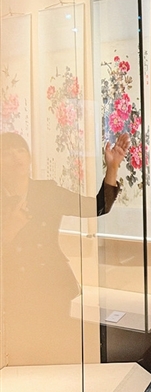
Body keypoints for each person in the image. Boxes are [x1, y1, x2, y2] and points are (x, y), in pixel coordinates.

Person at [1, 131, 129, 365]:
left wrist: (112, 167)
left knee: (54, 351)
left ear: (29, 158)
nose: (16, 157)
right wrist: (10, 230)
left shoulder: (47, 192)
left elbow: (98, 207)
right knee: (22, 356)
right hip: (13, 289)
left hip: (51, 284)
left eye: (20, 150)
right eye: (7, 153)